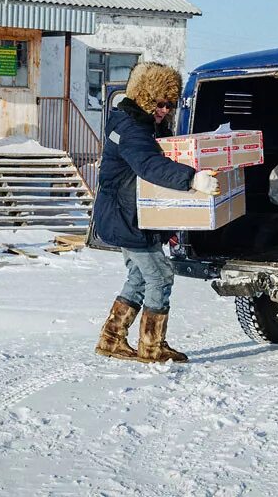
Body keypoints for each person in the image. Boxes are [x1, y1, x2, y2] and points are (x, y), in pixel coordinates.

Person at [93, 61, 219, 363]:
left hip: (137, 214)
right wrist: (192, 178)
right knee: (160, 275)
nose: (164, 109)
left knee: (139, 276)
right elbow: (148, 165)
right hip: (126, 216)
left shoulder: (142, 123)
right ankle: (152, 346)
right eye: (158, 103)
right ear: (144, 98)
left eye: (169, 104)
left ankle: (111, 339)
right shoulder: (132, 128)